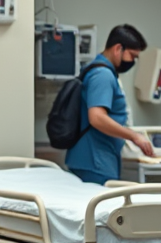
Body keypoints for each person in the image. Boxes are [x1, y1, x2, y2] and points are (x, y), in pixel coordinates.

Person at [65, 24, 155, 185]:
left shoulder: (97, 70)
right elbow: (97, 118)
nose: (132, 62)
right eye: (132, 56)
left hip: (95, 157)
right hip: (95, 160)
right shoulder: (103, 75)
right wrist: (134, 136)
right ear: (118, 48)